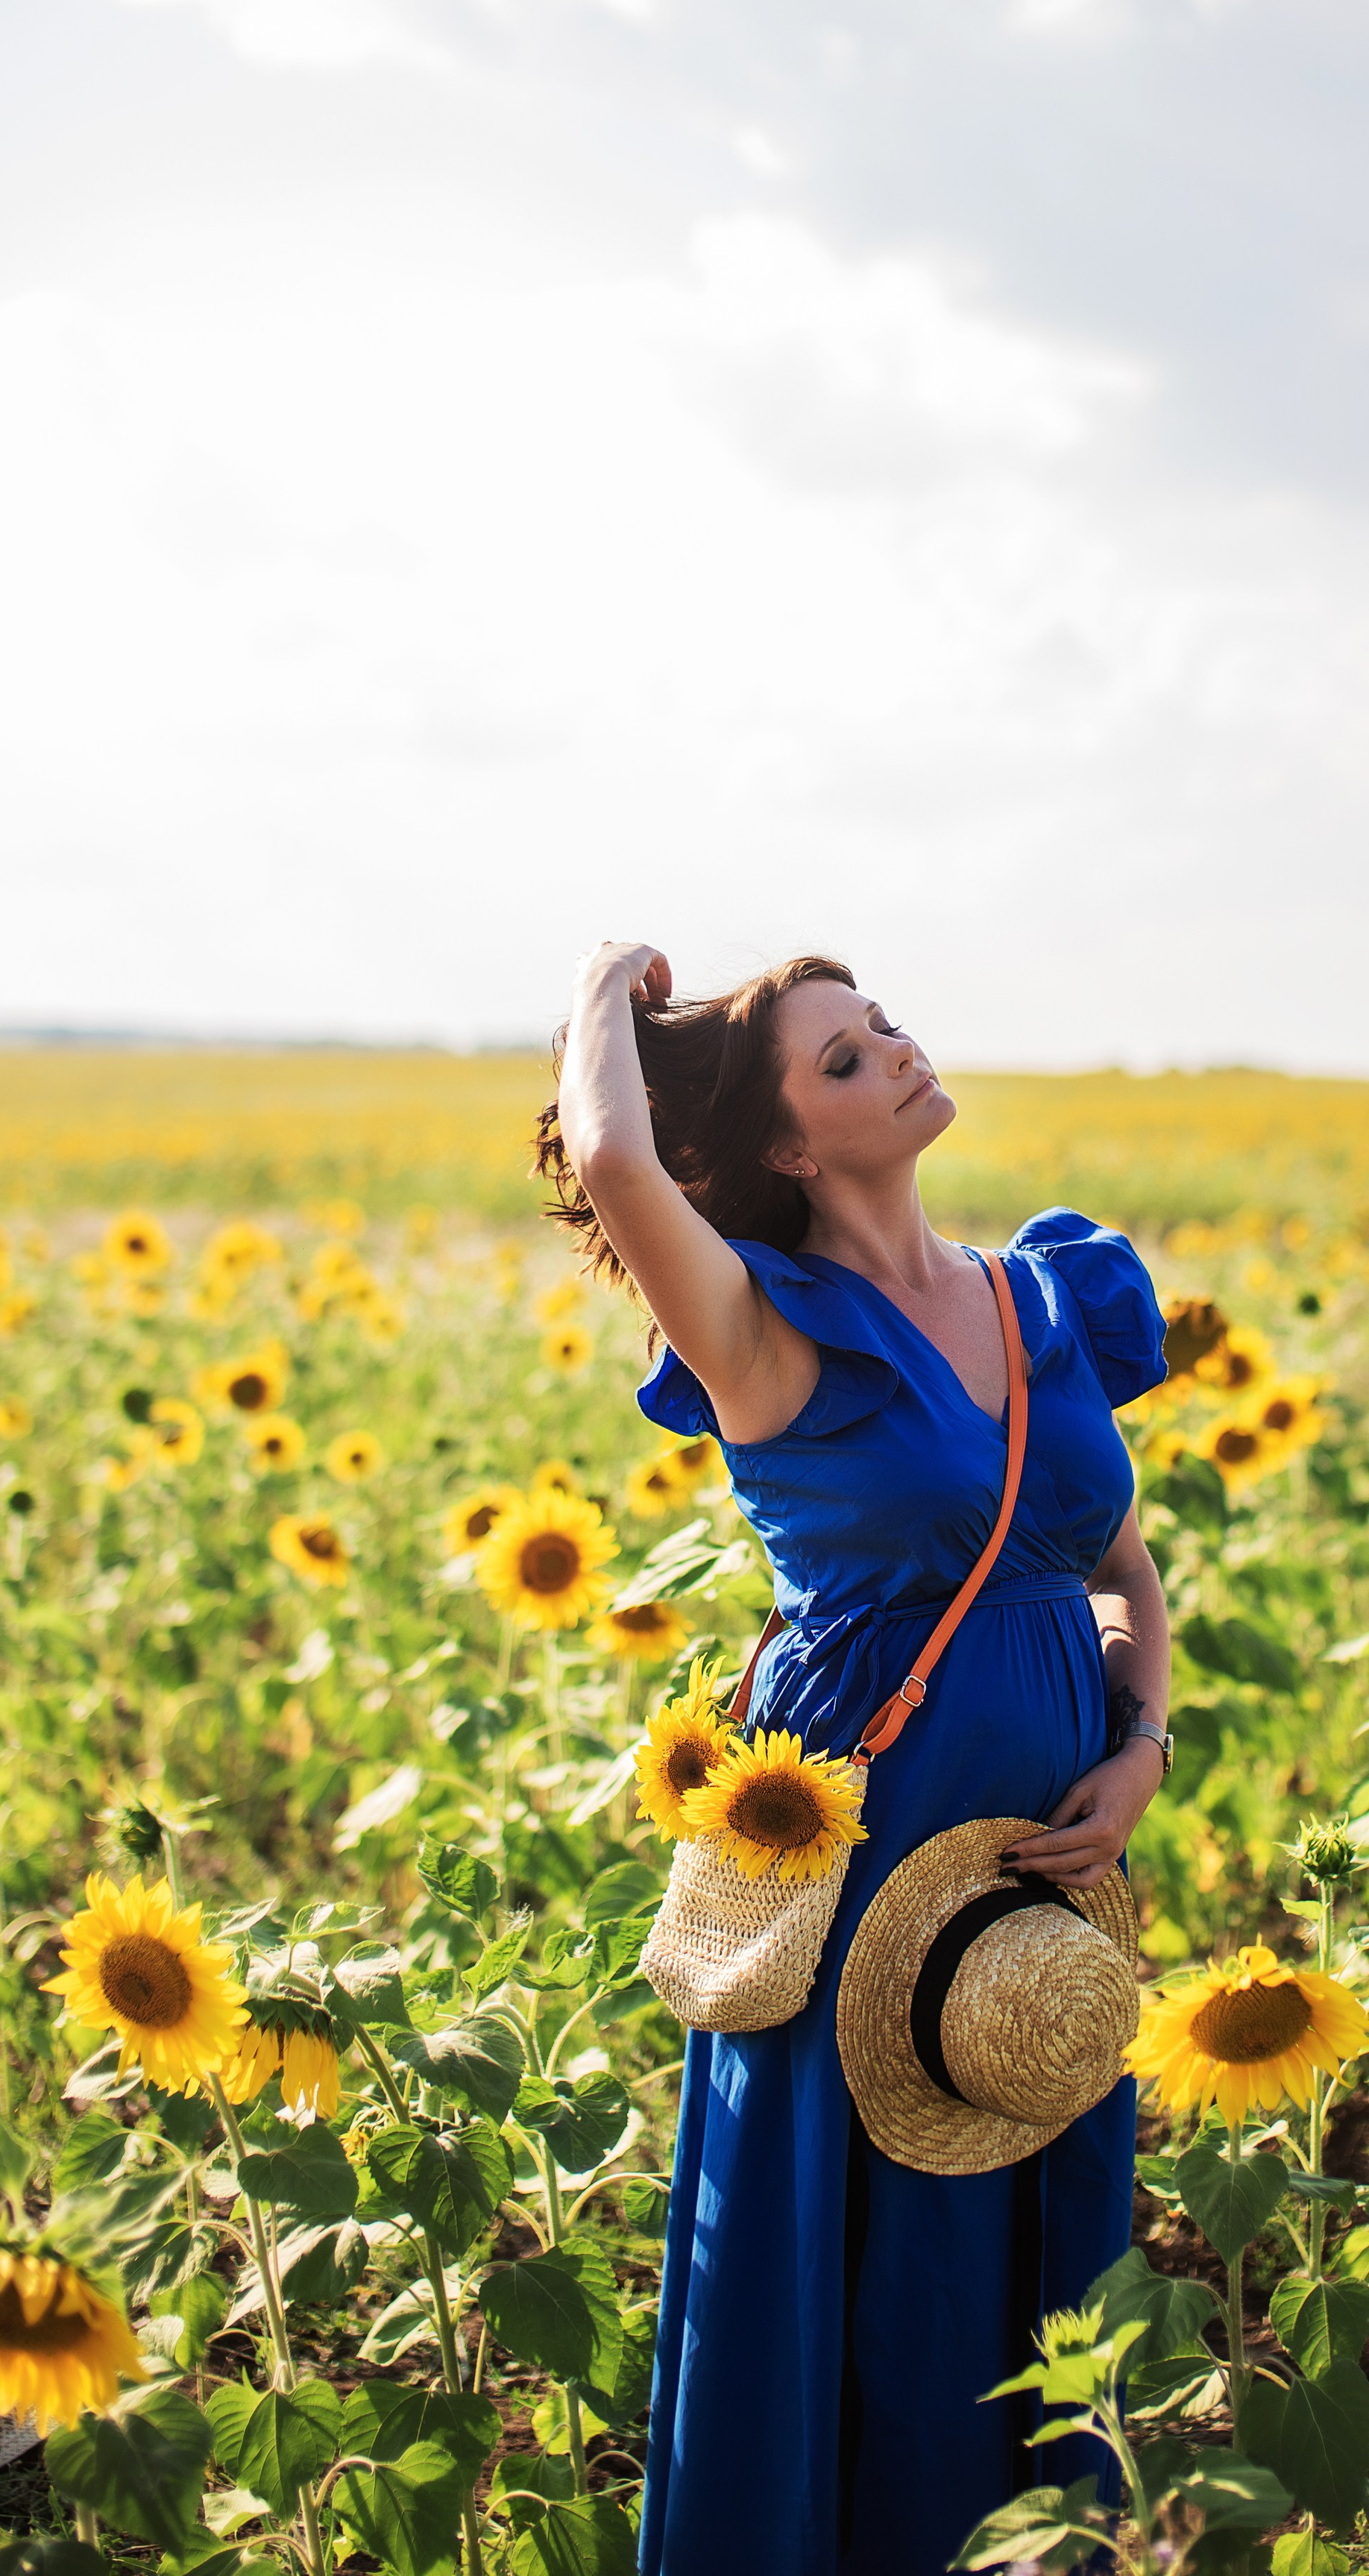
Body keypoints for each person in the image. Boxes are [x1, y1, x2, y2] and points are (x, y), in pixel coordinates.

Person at [541, 943, 1174, 2576]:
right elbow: (615, 1157)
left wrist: (1141, 1741)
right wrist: (607, 985)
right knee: (839, 2242)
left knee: (1017, 2198)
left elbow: (1117, 1568)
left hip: (1043, 1852)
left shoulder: (1047, 1294)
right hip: (856, 1844)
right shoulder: (767, 1331)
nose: (890, 1051)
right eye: (838, 1061)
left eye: (879, 1024)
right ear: (787, 1155)